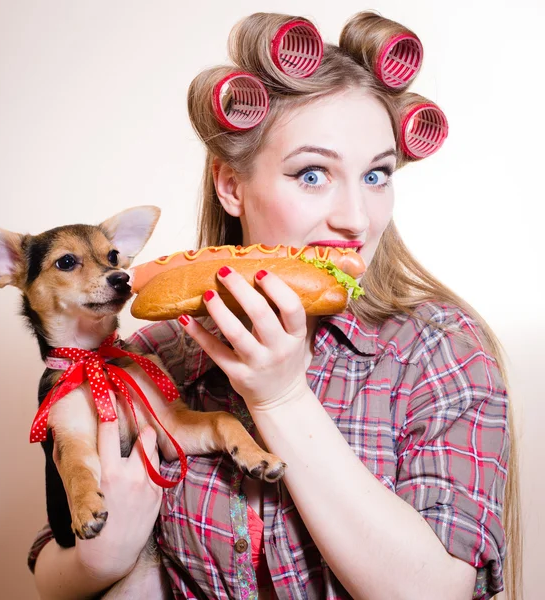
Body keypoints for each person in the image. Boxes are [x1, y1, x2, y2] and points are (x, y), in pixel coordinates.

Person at [30, 11, 520, 600]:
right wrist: (98, 562)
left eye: (376, 175)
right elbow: (55, 556)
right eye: (312, 174)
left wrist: (281, 395)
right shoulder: (156, 359)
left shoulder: (440, 349)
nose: (356, 219)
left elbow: (436, 592)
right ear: (231, 185)